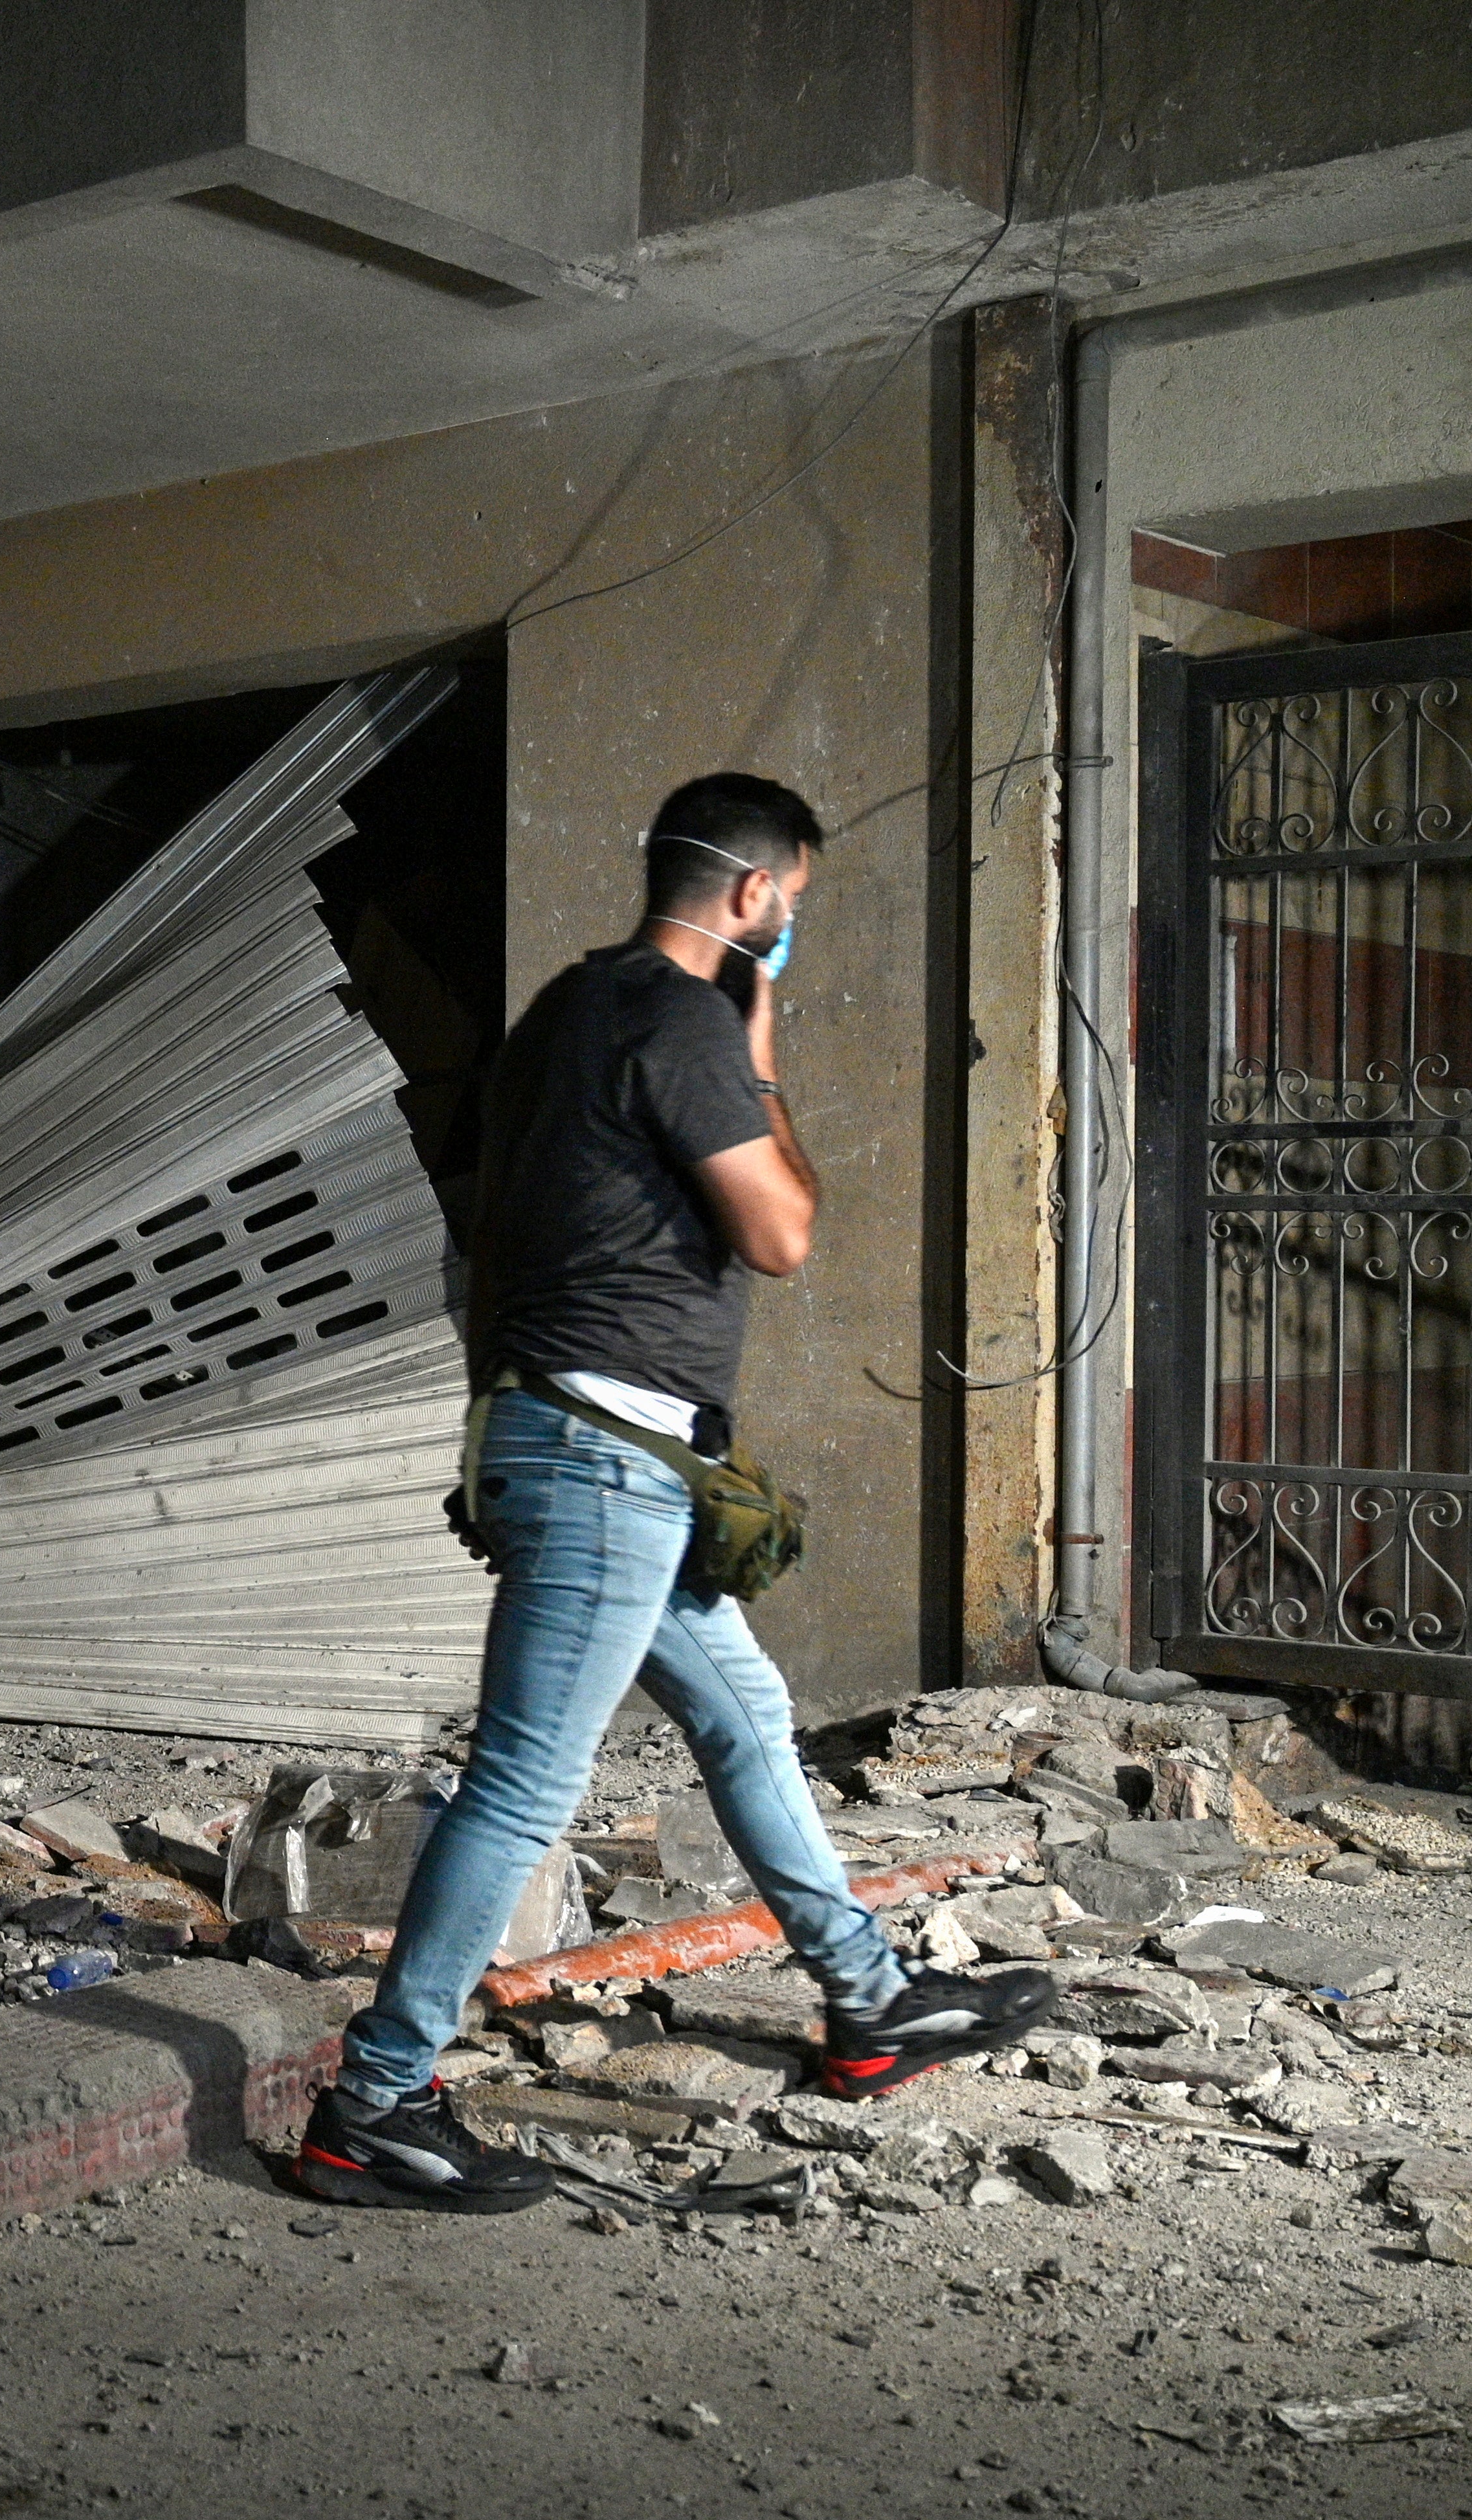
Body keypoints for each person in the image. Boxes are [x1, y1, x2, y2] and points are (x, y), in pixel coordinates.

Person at [289, 772, 1053, 2213]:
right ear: (755, 895)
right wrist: (760, 1049)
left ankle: (870, 2000)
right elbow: (781, 1231)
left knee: (745, 1711)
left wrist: (505, 1434)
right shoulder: (685, 1019)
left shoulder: (560, 1020)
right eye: (797, 906)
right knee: (523, 1782)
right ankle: (375, 2102)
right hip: (606, 1455)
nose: (792, 929)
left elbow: (510, 1240)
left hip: (569, 1434)